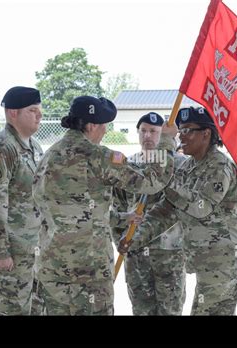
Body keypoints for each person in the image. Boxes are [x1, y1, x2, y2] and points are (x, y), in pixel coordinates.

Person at [32, 96, 177, 316]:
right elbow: (152, 181)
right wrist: (166, 142)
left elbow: (70, 212)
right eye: (104, 126)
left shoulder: (48, 156)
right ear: (91, 126)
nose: (105, 132)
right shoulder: (100, 156)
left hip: (51, 268)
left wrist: (121, 218)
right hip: (89, 272)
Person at [120, 107, 237, 315]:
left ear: (206, 134)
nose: (181, 135)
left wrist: (165, 161)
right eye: (180, 130)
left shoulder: (219, 165)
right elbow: (168, 210)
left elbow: (201, 207)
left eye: (188, 130)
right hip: (204, 256)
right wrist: (136, 237)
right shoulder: (188, 166)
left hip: (223, 257)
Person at [0, 86, 44, 315]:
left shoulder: (33, 146)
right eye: (33, 110)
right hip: (9, 253)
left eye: (39, 110)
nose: (39, 115)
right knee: (13, 310)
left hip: (30, 249)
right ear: (13, 113)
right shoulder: (1, 147)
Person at [111, 112, 186, 315]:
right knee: (141, 308)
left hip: (169, 251)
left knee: (170, 308)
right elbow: (117, 205)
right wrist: (121, 238)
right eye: (143, 131)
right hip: (136, 251)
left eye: (154, 131)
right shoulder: (129, 165)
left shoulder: (179, 165)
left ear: (164, 135)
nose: (147, 136)